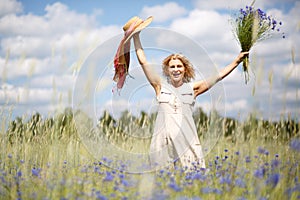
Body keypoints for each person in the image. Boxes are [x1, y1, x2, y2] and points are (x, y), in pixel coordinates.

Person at [130, 29, 248, 170]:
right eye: (172, 67)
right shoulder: (159, 86)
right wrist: (136, 37)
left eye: (179, 66)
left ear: (185, 69)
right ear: (167, 70)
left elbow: (218, 76)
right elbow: (143, 62)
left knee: (192, 175)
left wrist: (236, 61)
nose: (176, 69)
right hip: (163, 142)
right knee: (162, 180)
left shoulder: (193, 88)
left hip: (186, 139)